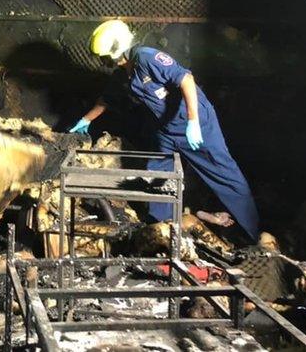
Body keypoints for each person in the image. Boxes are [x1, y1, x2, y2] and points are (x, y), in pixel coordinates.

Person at [68, 19, 260, 241]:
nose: (102, 62)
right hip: (166, 130)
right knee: (160, 175)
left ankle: (254, 234)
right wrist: (84, 120)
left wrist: (193, 122)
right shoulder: (123, 74)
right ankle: (162, 229)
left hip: (195, 126)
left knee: (224, 174)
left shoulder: (147, 57)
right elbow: (106, 100)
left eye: (103, 57)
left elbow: (186, 79)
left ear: (115, 51)